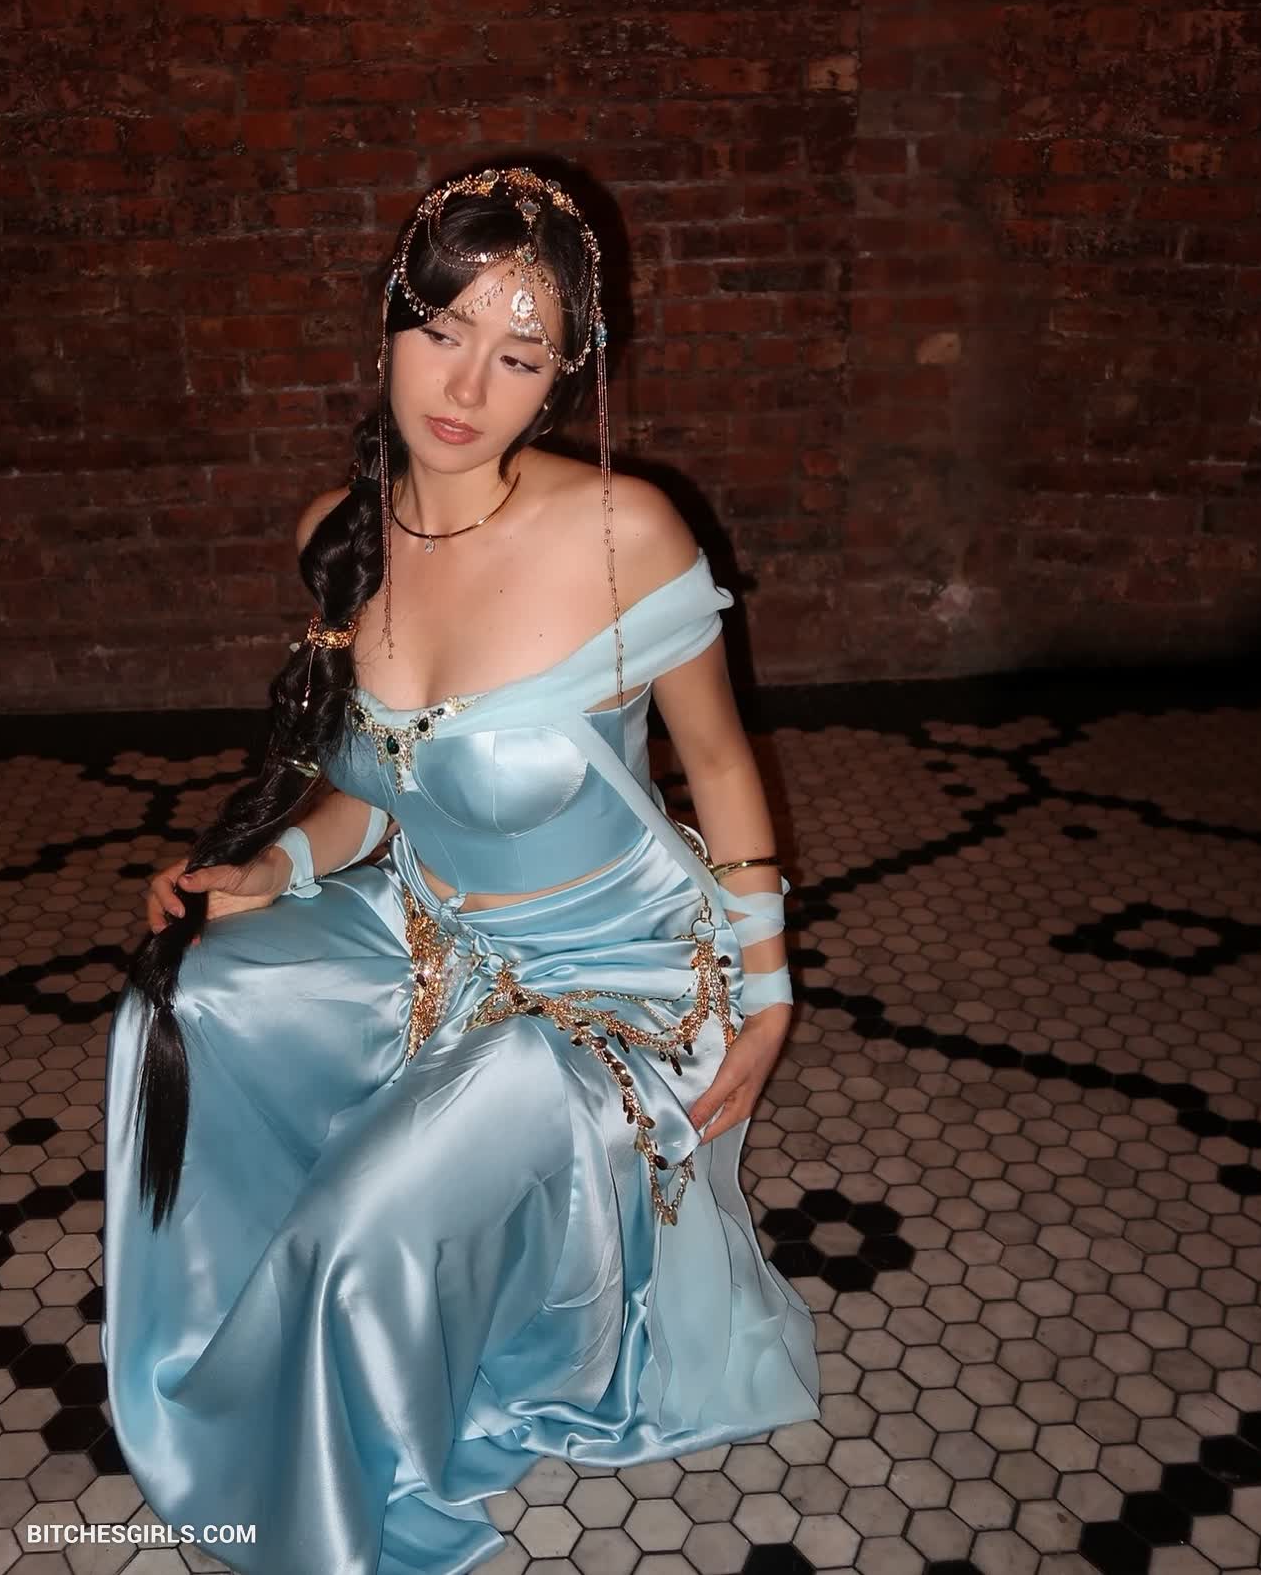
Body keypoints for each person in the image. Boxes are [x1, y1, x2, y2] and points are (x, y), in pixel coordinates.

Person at [101, 161, 821, 1575]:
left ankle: (315, 1487)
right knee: (181, 1000)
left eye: (520, 355)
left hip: (609, 991)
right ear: (388, 323)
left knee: (357, 1234)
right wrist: (274, 868)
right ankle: (216, 1337)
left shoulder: (623, 535)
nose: (467, 384)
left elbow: (723, 765)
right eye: (443, 330)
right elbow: (380, 792)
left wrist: (768, 986)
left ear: (560, 382)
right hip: (429, 930)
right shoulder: (337, 535)